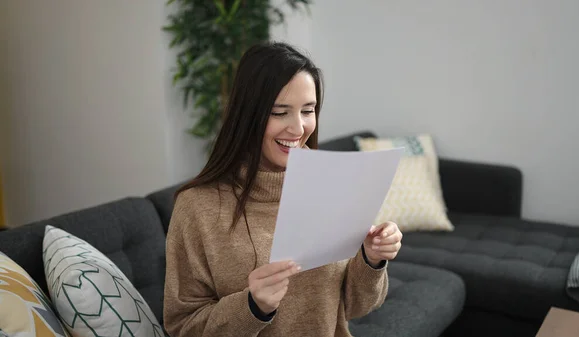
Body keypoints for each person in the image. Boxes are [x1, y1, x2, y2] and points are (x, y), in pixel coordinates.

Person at [163, 41, 403, 337]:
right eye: (280, 112)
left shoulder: (330, 187)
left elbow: (355, 307)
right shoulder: (197, 207)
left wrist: (371, 258)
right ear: (248, 115)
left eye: (308, 110)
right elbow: (181, 326)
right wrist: (252, 307)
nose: (299, 128)